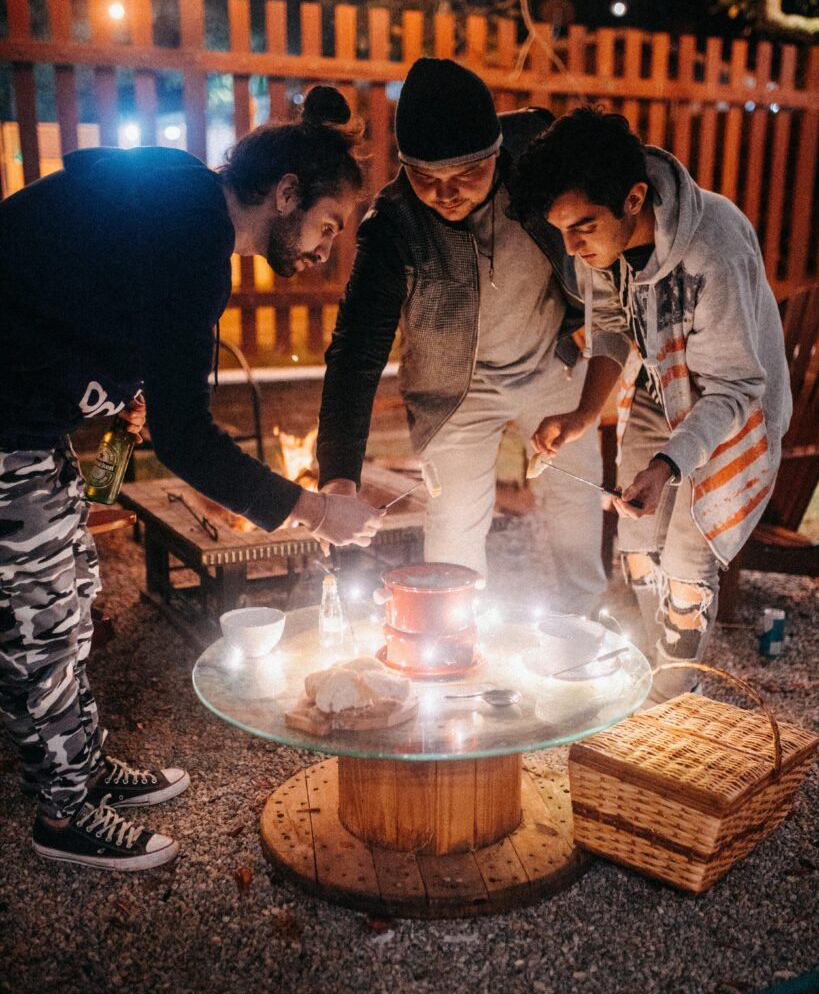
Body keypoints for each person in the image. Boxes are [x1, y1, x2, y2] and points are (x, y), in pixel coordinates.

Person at [0, 86, 384, 871]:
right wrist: (309, 508)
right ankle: (64, 816)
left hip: (27, 423)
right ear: (285, 193)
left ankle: (79, 762)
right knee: (39, 619)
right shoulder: (191, 232)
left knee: (73, 590)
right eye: (327, 224)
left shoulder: (180, 208)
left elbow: (79, 291)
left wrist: (114, 382)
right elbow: (186, 438)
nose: (324, 248)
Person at [510, 106, 791, 700]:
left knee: (688, 561)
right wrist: (585, 415)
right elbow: (612, 322)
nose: (572, 245)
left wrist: (667, 466)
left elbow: (739, 387)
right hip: (660, 389)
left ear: (634, 198)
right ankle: (647, 672)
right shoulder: (598, 247)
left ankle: (672, 701)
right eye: (561, 229)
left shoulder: (714, 245)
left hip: (732, 412)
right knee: (635, 544)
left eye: (582, 226)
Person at [317, 58, 606, 615]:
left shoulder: (540, 163)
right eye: (426, 178)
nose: (445, 193)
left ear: (496, 154)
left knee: (576, 494)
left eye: (464, 175)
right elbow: (356, 352)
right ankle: (453, 642)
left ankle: (581, 627)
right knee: (453, 528)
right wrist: (338, 476)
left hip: (550, 363)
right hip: (453, 392)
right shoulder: (393, 226)